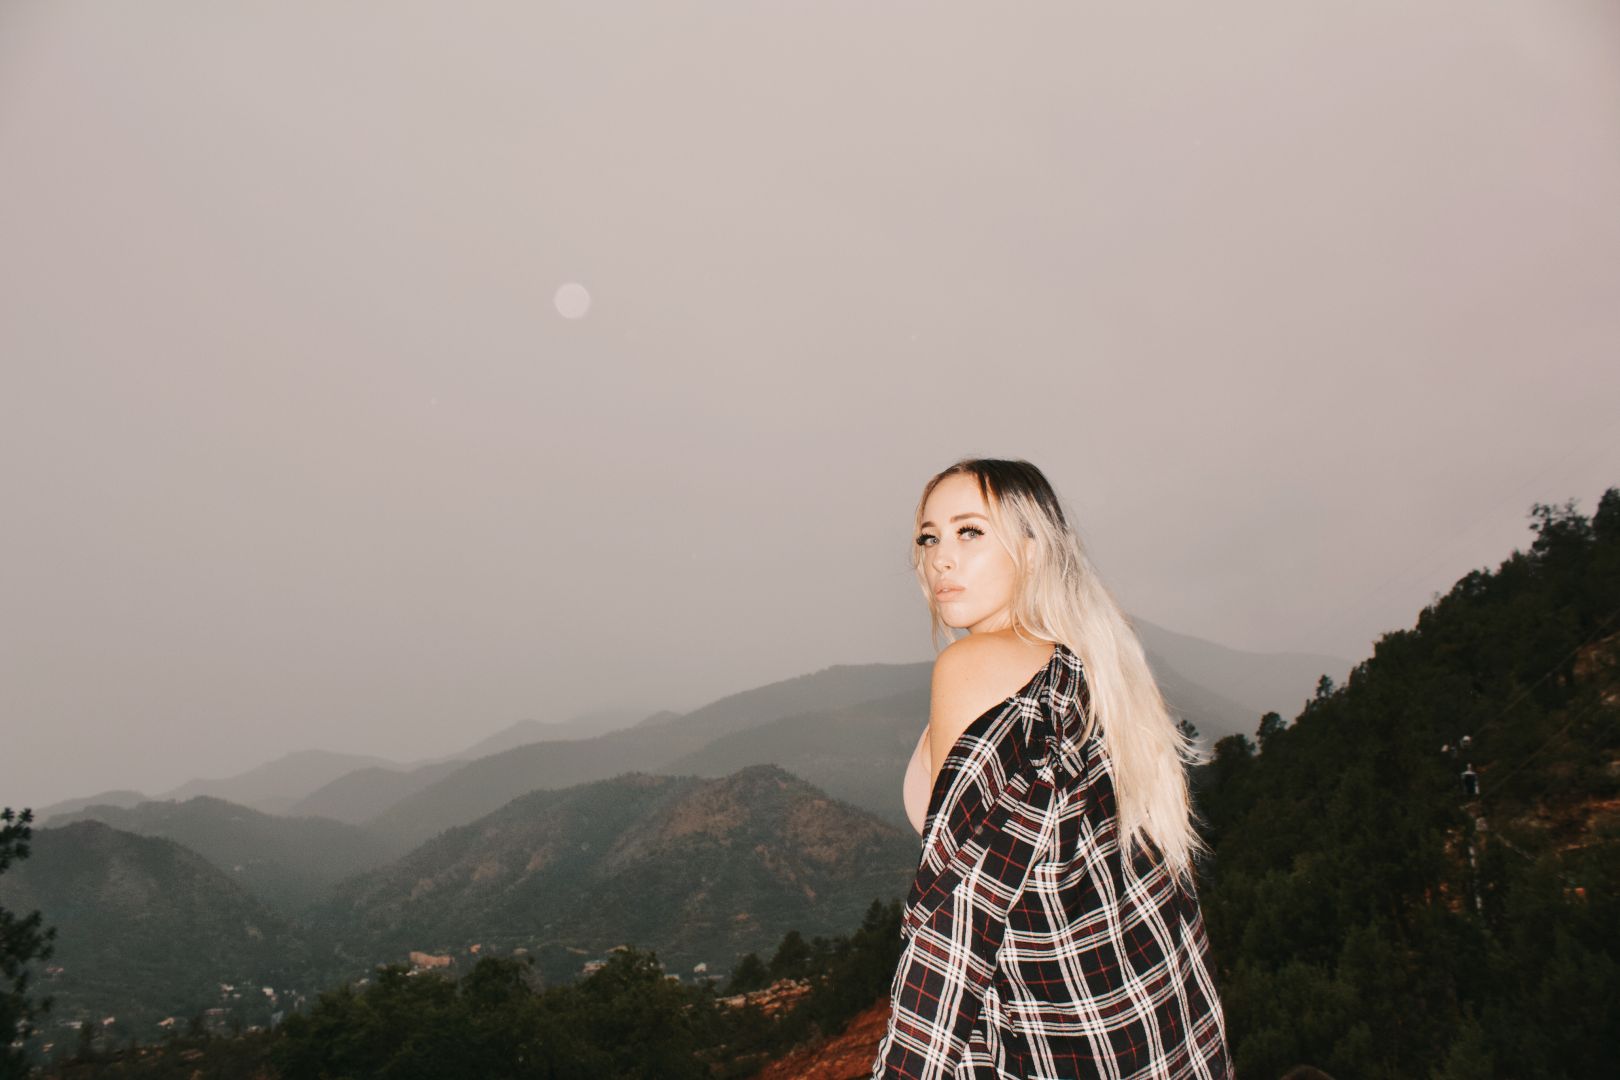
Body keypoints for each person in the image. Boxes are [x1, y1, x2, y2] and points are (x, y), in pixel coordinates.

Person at [872, 458, 1231, 1079]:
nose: (940, 559)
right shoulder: (1089, 668)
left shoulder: (973, 668)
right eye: (929, 538)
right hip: (1136, 1021)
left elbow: (959, 911)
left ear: (1033, 548)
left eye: (970, 532)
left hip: (1038, 1032)